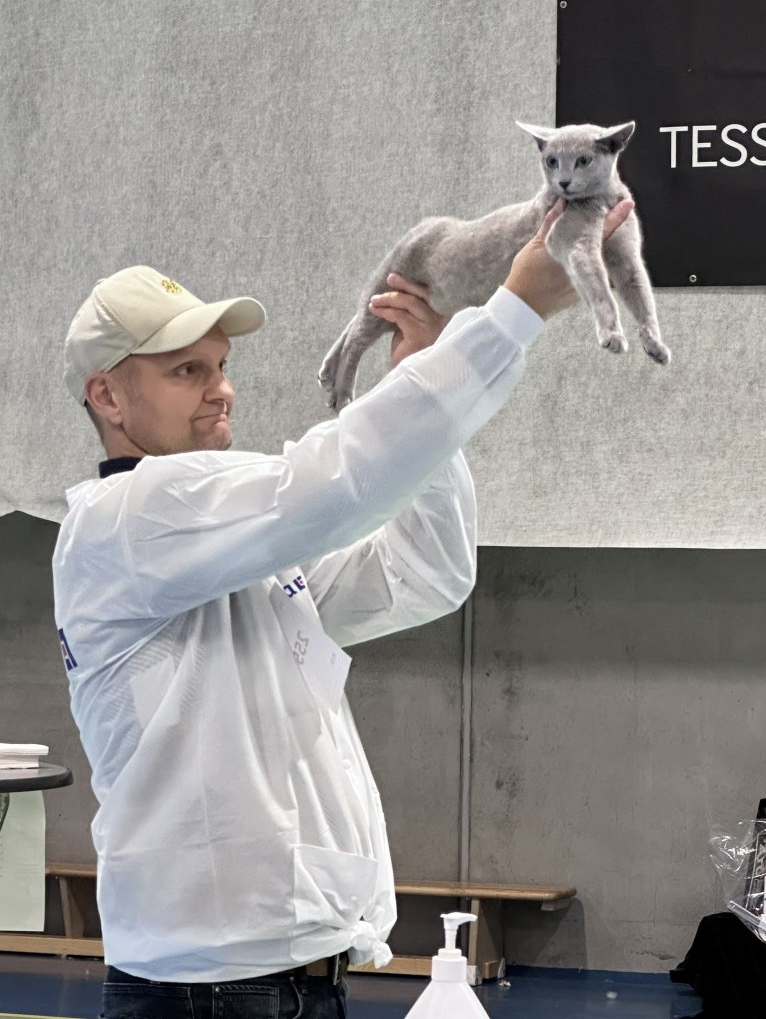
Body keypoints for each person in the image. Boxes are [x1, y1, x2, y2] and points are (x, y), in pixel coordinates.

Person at [52, 197, 633, 1019]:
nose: (221, 391)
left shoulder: (223, 553)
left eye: (221, 366)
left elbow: (423, 572)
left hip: (279, 974)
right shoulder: (129, 518)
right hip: (212, 991)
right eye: (187, 372)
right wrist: (514, 310)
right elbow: (331, 487)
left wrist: (417, 389)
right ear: (108, 397)